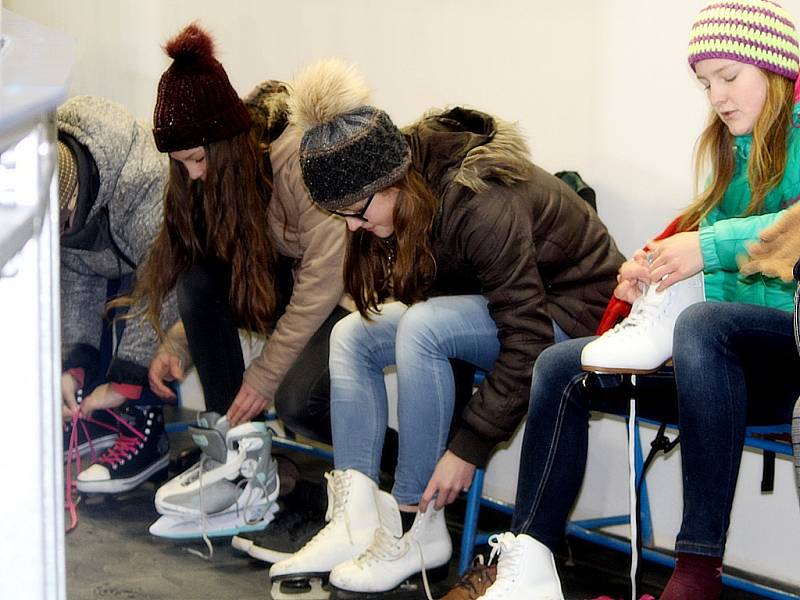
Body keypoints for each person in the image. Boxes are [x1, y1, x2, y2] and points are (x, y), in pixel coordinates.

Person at [446, 2, 800, 598]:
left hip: (778, 359)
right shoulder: (730, 155)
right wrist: (656, 274)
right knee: (561, 364)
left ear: (778, 71)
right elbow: (719, 269)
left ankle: (695, 570)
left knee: (703, 324)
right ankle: (531, 560)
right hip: (715, 366)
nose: (716, 96)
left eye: (729, 77)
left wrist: (703, 251)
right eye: (705, 82)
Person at [268, 58, 624, 598]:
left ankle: (418, 523)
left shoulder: (480, 202)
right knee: (352, 334)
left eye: (358, 212)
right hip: (504, 309)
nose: (354, 227)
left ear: (392, 181)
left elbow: (525, 337)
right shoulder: (407, 195)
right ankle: (358, 519)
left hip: (578, 316)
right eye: (342, 216)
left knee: (424, 326)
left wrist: (469, 445)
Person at [127, 23, 350, 447]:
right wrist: (178, 345)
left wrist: (264, 376)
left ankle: (417, 471)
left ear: (223, 142)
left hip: (342, 296)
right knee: (197, 280)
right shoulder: (217, 175)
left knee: (297, 403)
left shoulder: (298, 159)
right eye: (181, 163)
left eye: (195, 158)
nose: (191, 174)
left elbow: (326, 276)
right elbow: (217, 268)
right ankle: (241, 457)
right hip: (288, 291)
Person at [58, 95, 175, 495]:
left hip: (173, 261)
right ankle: (96, 415)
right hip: (124, 253)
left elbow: (163, 280)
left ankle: (145, 431)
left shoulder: (144, 181)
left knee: (133, 302)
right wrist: (74, 367)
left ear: (74, 200)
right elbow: (76, 278)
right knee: (99, 296)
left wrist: (126, 384)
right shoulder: (60, 181)